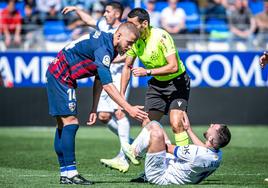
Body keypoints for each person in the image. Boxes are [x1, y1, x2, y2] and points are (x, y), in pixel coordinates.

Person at [46, 22, 148, 185]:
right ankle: (71, 174)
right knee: (70, 123)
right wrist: (128, 108)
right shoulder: (105, 49)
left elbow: (99, 77)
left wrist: (94, 107)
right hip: (61, 75)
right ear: (119, 35)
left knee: (62, 125)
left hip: (58, 73)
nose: (130, 48)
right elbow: (108, 84)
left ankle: (66, 173)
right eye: (129, 43)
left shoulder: (109, 44)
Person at [62, 1, 133, 173]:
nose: (104, 14)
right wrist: (78, 9)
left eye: (107, 11)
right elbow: (89, 21)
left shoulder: (127, 33)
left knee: (119, 111)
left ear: (117, 14)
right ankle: (130, 143)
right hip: (103, 75)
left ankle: (125, 153)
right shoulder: (103, 26)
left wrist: (105, 60)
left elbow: (129, 56)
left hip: (115, 75)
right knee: (102, 116)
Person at [121, 8, 191, 147]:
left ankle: (184, 161)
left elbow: (173, 67)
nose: (129, 28)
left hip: (177, 82)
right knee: (148, 125)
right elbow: (126, 66)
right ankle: (163, 161)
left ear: (144, 23)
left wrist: (147, 72)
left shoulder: (161, 36)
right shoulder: (135, 40)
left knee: (176, 123)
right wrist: (121, 96)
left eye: (133, 24)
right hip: (157, 84)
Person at [122, 112, 231, 185]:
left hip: (159, 176)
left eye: (213, 127)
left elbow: (166, 147)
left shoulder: (195, 152)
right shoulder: (217, 154)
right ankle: (134, 150)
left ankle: (133, 153)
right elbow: (204, 149)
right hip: (172, 170)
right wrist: (188, 129)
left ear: (211, 138)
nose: (211, 124)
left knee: (155, 133)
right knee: (155, 124)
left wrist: (147, 141)